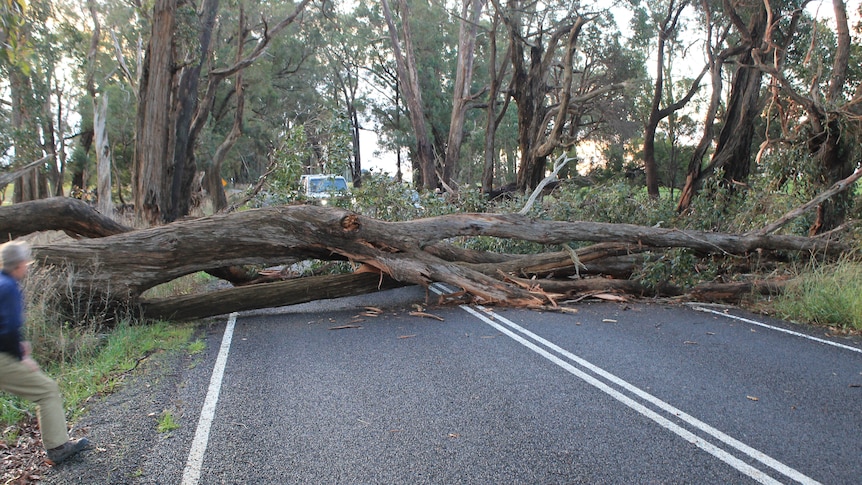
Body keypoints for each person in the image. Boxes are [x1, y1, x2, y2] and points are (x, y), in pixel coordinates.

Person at [0, 240, 89, 465]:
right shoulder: (9, 286)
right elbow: (8, 327)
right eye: (26, 262)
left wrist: (19, 344)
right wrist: (21, 357)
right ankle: (58, 447)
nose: (28, 267)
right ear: (19, 264)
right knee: (47, 390)